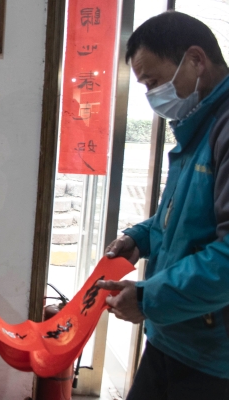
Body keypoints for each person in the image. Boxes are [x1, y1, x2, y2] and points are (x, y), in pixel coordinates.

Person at [96, 11, 229, 399]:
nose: (152, 97)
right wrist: (141, 238)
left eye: (153, 82)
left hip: (212, 356)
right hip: (174, 334)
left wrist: (149, 298)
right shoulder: (199, 125)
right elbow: (182, 218)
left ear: (195, 60)